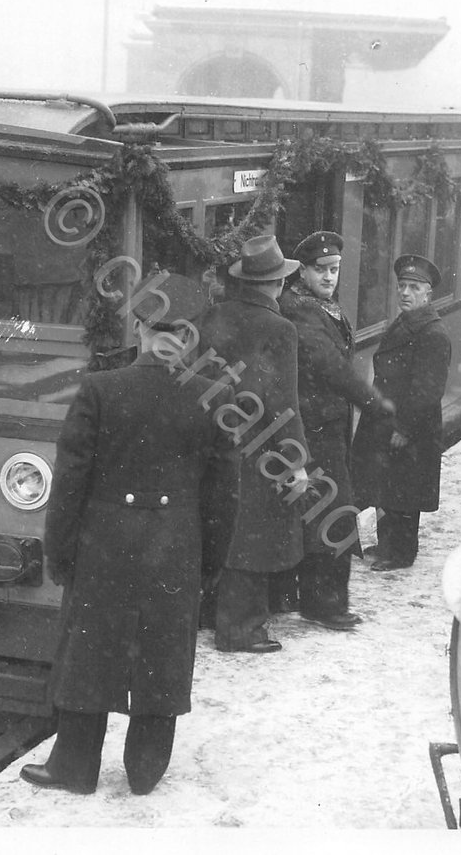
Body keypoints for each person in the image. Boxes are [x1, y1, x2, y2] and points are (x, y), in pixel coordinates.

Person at [26, 274, 240, 796]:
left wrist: (60, 553)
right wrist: (210, 561)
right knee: (163, 651)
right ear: (190, 337)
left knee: (89, 650)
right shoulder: (214, 399)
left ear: (141, 328)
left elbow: (70, 485)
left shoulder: (100, 390)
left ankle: (74, 768)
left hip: (103, 545)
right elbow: (223, 494)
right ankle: (146, 769)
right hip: (176, 547)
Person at [194, 235, 310, 654]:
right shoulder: (279, 328)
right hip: (258, 446)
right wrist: (296, 460)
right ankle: (241, 630)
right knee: (253, 536)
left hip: (213, 439)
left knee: (220, 528)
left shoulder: (214, 317)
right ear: (277, 284)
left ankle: (211, 616)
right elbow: (283, 401)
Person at [275, 231, 392, 630]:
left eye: (335, 269)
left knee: (322, 512)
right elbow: (330, 366)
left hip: (324, 424)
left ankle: (314, 598)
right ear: (302, 272)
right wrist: (373, 400)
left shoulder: (317, 304)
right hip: (316, 428)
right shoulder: (301, 311)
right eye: (321, 270)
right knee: (332, 513)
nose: (329, 277)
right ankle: (325, 604)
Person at [352, 255, 451, 571]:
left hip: (411, 427)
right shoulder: (406, 323)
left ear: (428, 293)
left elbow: (427, 391)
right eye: (402, 286)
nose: (405, 293)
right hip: (390, 421)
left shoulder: (432, 334)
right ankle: (387, 546)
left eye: (414, 287)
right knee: (389, 486)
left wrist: (404, 429)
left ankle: (401, 553)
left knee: (404, 492)